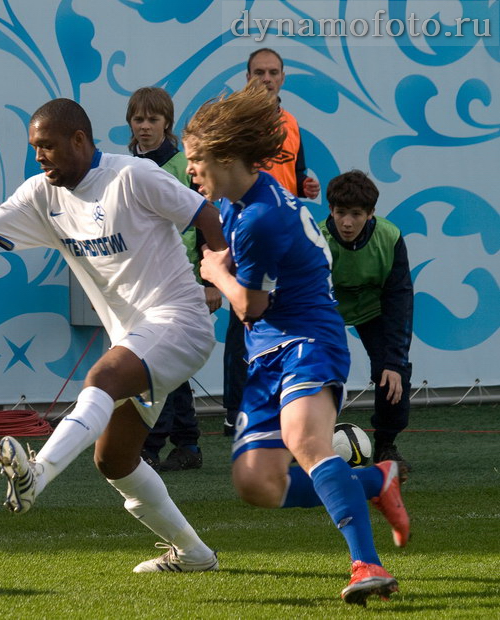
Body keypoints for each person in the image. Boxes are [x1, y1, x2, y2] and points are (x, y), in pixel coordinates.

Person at [0, 97, 227, 572]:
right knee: (115, 461)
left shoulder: (132, 176)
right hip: (134, 338)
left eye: (47, 146)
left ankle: (37, 472)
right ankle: (195, 553)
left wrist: (221, 276)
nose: (39, 156)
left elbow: (206, 214)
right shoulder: (42, 193)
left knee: (101, 377)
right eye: (34, 147)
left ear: (79, 140)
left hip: (179, 320)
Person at [187, 82, 409, 604]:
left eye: (197, 159)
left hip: (309, 340)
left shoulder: (261, 216)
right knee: (256, 484)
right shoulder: (241, 205)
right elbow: (242, 301)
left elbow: (249, 305)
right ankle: (375, 482)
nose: (191, 170)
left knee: (306, 444)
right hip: (266, 353)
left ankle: (366, 565)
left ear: (226, 156)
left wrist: (217, 274)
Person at [223, 48, 320, 437]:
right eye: (258, 72)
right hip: (248, 233)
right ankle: (235, 409)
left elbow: (295, 176)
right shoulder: (233, 121)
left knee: (286, 322)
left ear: (283, 78)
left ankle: (283, 406)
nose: (266, 78)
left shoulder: (292, 123)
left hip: (287, 238)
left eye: (273, 72)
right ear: (247, 77)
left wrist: (306, 186)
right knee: (244, 322)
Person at [125, 86, 220, 472]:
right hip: (142, 281)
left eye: (153, 119)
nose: (145, 126)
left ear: (168, 124)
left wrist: (213, 282)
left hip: (182, 279)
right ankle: (187, 444)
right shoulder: (126, 165)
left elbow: (208, 225)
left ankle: (152, 445)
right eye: (138, 119)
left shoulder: (185, 166)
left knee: (159, 361)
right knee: (169, 365)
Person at [322, 170, 413, 468]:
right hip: (326, 312)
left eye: (357, 214)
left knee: (393, 375)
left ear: (371, 214)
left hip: (374, 310)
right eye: (340, 213)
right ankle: (308, 444)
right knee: (315, 376)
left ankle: (387, 445)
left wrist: (394, 361)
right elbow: (303, 295)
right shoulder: (316, 240)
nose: (347, 222)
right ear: (331, 210)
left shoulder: (390, 237)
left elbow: (399, 298)